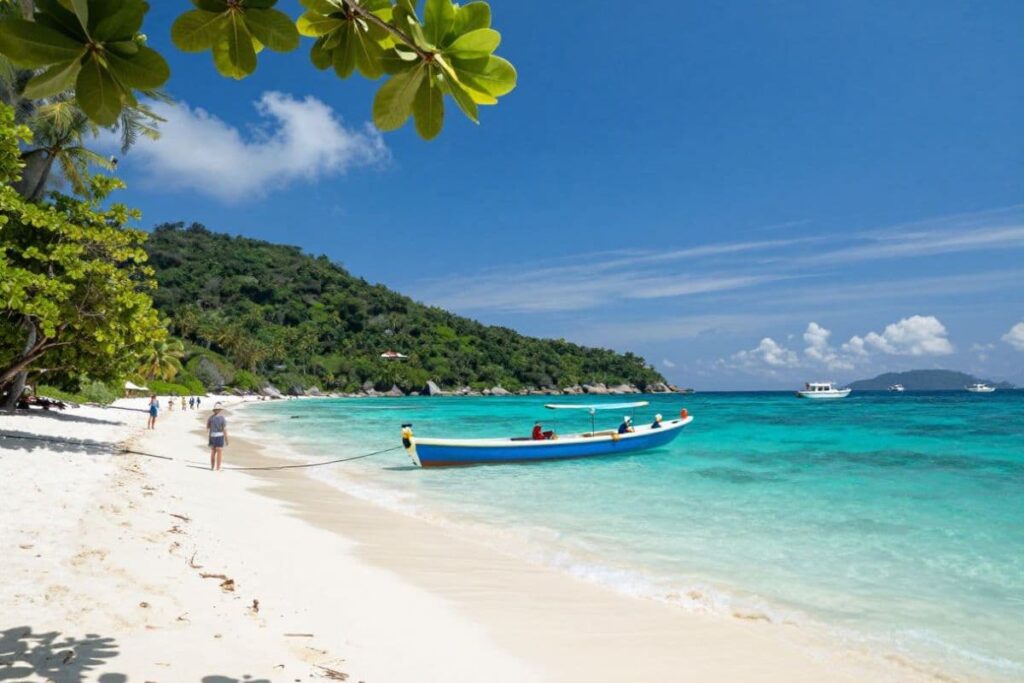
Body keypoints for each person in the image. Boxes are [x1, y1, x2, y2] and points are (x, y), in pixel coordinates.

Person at [206, 403, 229, 471]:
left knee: (213, 452)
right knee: (219, 452)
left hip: (212, 435)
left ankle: (212, 467)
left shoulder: (210, 417)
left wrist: (210, 436)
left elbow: (207, 427)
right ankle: (218, 468)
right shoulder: (222, 418)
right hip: (219, 436)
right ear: (220, 410)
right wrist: (226, 439)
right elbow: (224, 429)